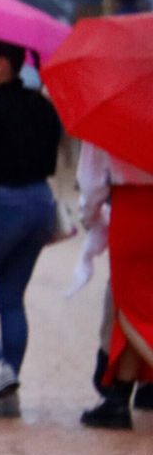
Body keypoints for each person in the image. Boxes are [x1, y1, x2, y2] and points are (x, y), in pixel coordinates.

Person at [0, 37, 63, 419]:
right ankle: (8, 392)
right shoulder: (41, 105)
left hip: (3, 206)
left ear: (3, 65)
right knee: (11, 297)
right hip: (41, 203)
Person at [75, 142, 153, 429]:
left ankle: (119, 400)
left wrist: (91, 219)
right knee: (139, 308)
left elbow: (91, 182)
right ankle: (120, 397)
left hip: (132, 209)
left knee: (129, 309)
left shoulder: (111, 110)